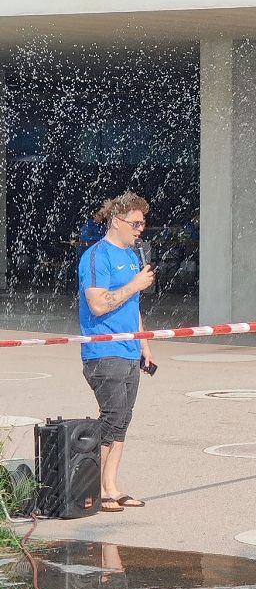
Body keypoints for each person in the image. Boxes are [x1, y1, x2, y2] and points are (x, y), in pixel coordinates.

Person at [78, 191, 156, 513]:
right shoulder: (97, 257)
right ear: (116, 221)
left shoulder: (133, 256)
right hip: (103, 351)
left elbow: (132, 307)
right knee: (112, 417)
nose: (140, 230)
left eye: (143, 223)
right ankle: (95, 487)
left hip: (129, 349)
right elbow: (98, 304)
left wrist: (144, 343)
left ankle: (111, 486)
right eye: (135, 223)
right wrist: (135, 284)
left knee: (123, 419)